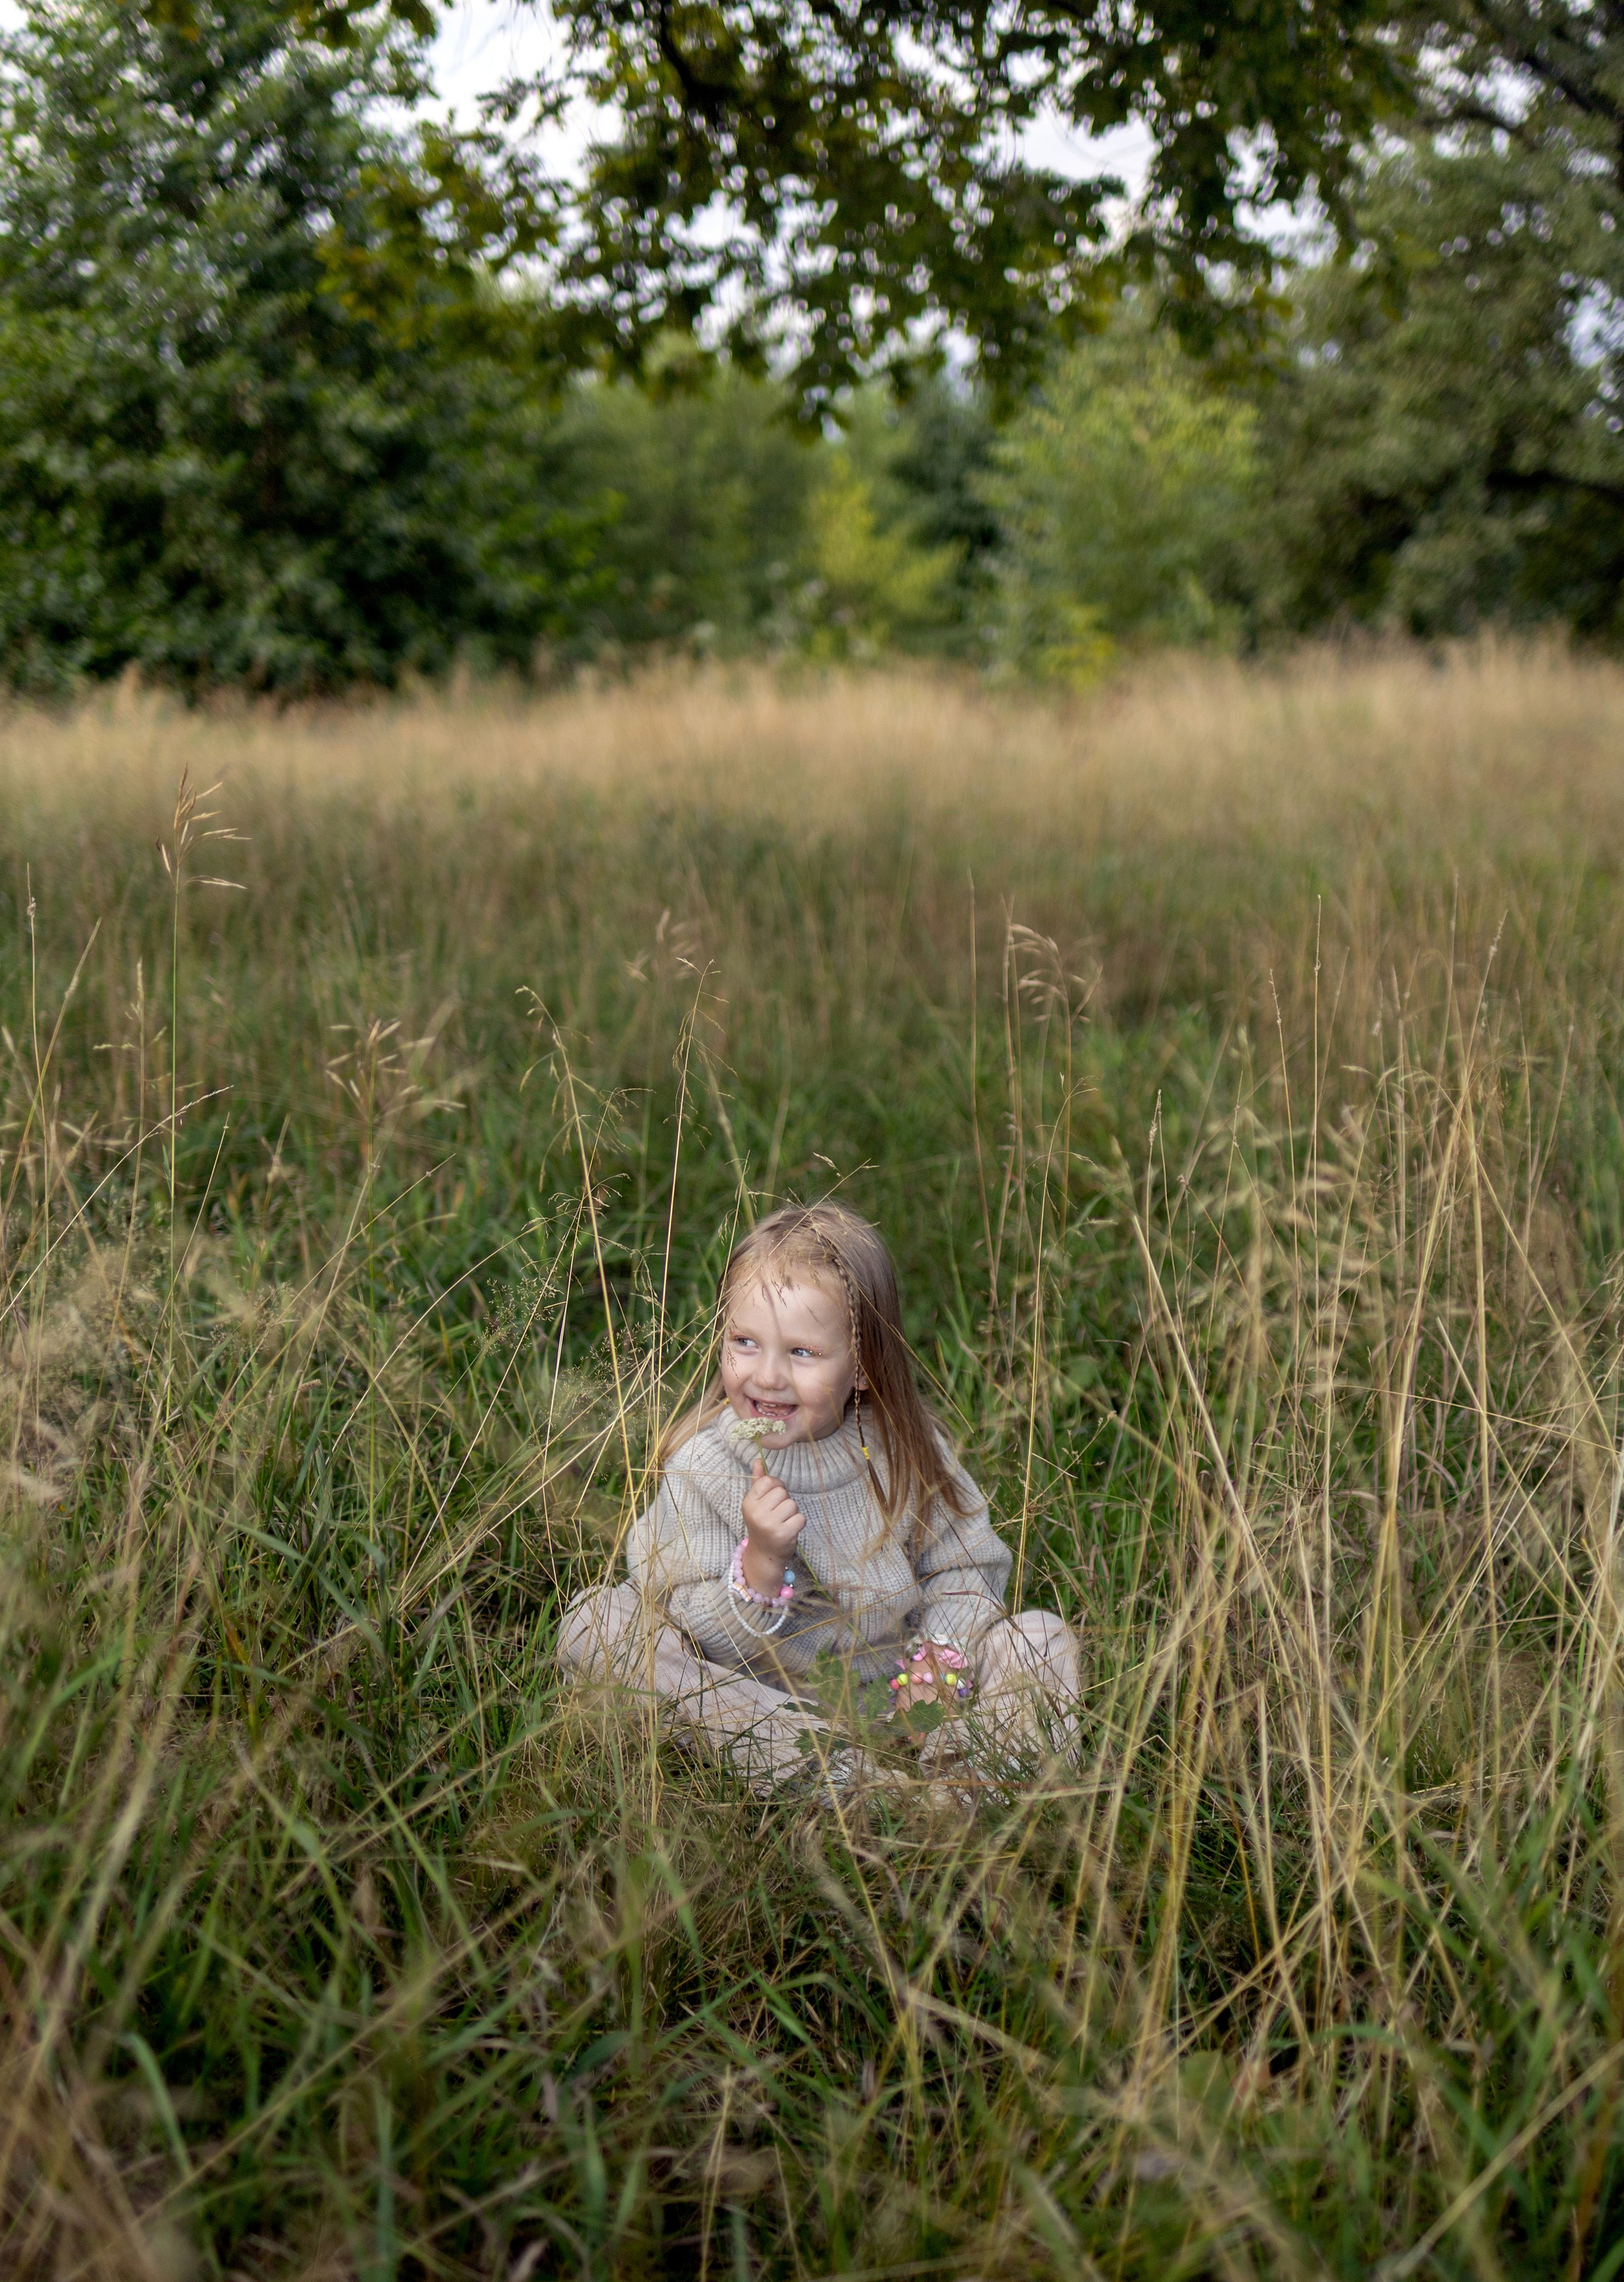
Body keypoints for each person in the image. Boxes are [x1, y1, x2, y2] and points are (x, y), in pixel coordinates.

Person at [557, 1200, 1081, 1800]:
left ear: (863, 1366)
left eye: (802, 1352)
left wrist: (935, 1670)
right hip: (766, 1702)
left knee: (1040, 1636)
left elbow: (966, 1567)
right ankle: (848, 1785)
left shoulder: (905, 1449)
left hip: (904, 1694)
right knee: (600, 1626)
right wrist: (760, 1565)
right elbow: (684, 1616)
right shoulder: (706, 1466)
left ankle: (970, 1780)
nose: (767, 1376)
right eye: (745, 1342)